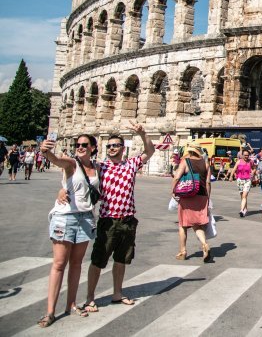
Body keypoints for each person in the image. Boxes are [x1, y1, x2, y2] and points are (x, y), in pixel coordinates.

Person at [78, 122, 154, 312]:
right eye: (109, 146)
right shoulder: (100, 166)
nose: (111, 148)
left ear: (122, 148)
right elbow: (78, 168)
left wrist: (143, 134)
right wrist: (64, 190)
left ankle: (117, 293)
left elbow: (150, 151)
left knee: (121, 259)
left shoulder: (131, 165)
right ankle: (89, 298)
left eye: (115, 145)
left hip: (128, 220)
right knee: (98, 260)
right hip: (108, 220)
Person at [37, 134, 100, 327]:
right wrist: (45, 151)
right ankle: (50, 312)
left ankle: (71, 304)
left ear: (93, 147)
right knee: (58, 264)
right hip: (65, 217)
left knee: (76, 264)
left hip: (86, 218)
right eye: (77, 144)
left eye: (84, 144)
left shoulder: (97, 167)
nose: (80, 147)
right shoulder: (71, 163)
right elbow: (56, 160)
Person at [171, 145, 212, 262]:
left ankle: (183, 251)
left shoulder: (185, 161)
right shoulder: (206, 163)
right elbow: (208, 182)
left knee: (183, 224)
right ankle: (204, 244)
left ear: (190, 152)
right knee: (197, 225)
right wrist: (208, 198)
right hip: (202, 195)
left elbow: (176, 177)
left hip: (188, 195)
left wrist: (173, 190)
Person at [234, 149, 253, 217]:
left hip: (248, 180)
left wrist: (253, 173)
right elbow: (234, 169)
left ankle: (241, 210)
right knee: (242, 196)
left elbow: (254, 168)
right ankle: (245, 209)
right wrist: (230, 176)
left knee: (244, 195)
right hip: (240, 180)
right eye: (245, 155)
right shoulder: (239, 161)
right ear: (242, 155)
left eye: (247, 155)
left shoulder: (250, 161)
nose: (246, 156)